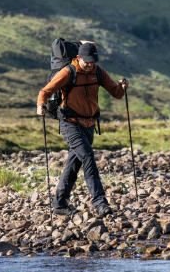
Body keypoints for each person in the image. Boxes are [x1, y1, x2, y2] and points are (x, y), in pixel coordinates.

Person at [37, 41, 127, 216]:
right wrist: (41, 105)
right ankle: (100, 202)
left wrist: (122, 88)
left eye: (93, 61)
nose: (90, 64)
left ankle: (60, 203)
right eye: (87, 61)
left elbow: (116, 94)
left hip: (89, 124)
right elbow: (45, 92)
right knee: (87, 156)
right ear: (78, 58)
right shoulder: (67, 72)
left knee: (74, 163)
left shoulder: (98, 72)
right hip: (70, 123)